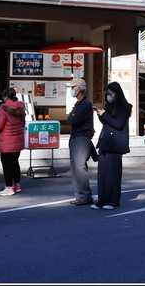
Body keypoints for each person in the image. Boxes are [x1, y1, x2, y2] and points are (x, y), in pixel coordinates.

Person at [94, 82, 132, 209]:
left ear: (116, 93)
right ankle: (102, 201)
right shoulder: (110, 105)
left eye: (110, 94)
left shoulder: (124, 107)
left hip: (116, 144)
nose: (108, 97)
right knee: (103, 174)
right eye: (107, 94)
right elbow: (107, 122)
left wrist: (104, 114)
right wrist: (100, 115)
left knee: (113, 175)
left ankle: (113, 201)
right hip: (105, 142)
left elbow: (118, 124)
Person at [65, 77, 96, 206]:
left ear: (79, 89)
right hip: (76, 136)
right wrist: (72, 116)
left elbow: (73, 120)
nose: (72, 90)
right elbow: (70, 118)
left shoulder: (86, 104)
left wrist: (72, 116)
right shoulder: (79, 104)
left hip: (82, 136)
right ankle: (80, 195)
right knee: (75, 167)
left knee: (79, 166)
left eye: (73, 87)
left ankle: (85, 195)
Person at [0, 87, 27, 195]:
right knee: (15, 162)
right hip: (17, 139)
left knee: (7, 164)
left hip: (6, 140)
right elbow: (23, 122)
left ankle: (9, 187)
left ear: (6, 97)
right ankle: (17, 185)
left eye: (4, 97)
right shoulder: (21, 106)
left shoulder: (3, 108)